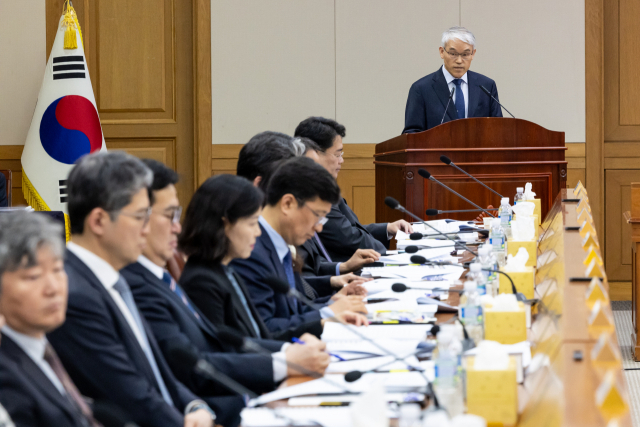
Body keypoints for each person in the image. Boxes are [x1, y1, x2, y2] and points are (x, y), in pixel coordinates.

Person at [47, 152, 227, 427]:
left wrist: (195, 405)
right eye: (141, 217)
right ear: (98, 221)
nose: (147, 229)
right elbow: (128, 394)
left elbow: (158, 376)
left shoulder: (114, 282)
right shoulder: (77, 296)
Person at [122, 159, 330, 397]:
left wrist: (289, 349)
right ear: (226, 224)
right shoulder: (200, 280)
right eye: (252, 223)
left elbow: (244, 340)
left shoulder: (226, 270)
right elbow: (208, 360)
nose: (258, 232)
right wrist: (286, 358)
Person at [228, 157, 369, 336]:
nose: (319, 228)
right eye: (318, 216)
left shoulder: (280, 242)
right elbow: (265, 329)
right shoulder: (250, 250)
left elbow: (295, 310)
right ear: (288, 204)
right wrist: (327, 313)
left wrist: (332, 302)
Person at [236, 133, 372, 297]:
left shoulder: (276, 233)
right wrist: (328, 311)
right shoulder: (248, 245)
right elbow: (272, 320)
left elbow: (297, 300)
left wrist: (333, 287)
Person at [0, 213, 94, 427]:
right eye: (33, 276)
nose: (53, 288)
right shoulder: (5, 376)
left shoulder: (43, 344)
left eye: (58, 270)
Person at [295, 116, 412, 262]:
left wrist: (387, 228)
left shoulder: (323, 186)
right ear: (314, 154)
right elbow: (348, 238)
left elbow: (350, 229)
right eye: (337, 154)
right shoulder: (312, 193)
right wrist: (392, 256)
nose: (341, 160)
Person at [403, 26, 502, 133]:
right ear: (442, 52)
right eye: (453, 54)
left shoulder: (486, 86)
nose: (459, 60)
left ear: (473, 54)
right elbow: (411, 134)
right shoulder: (421, 89)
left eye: (465, 54)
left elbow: (498, 129)